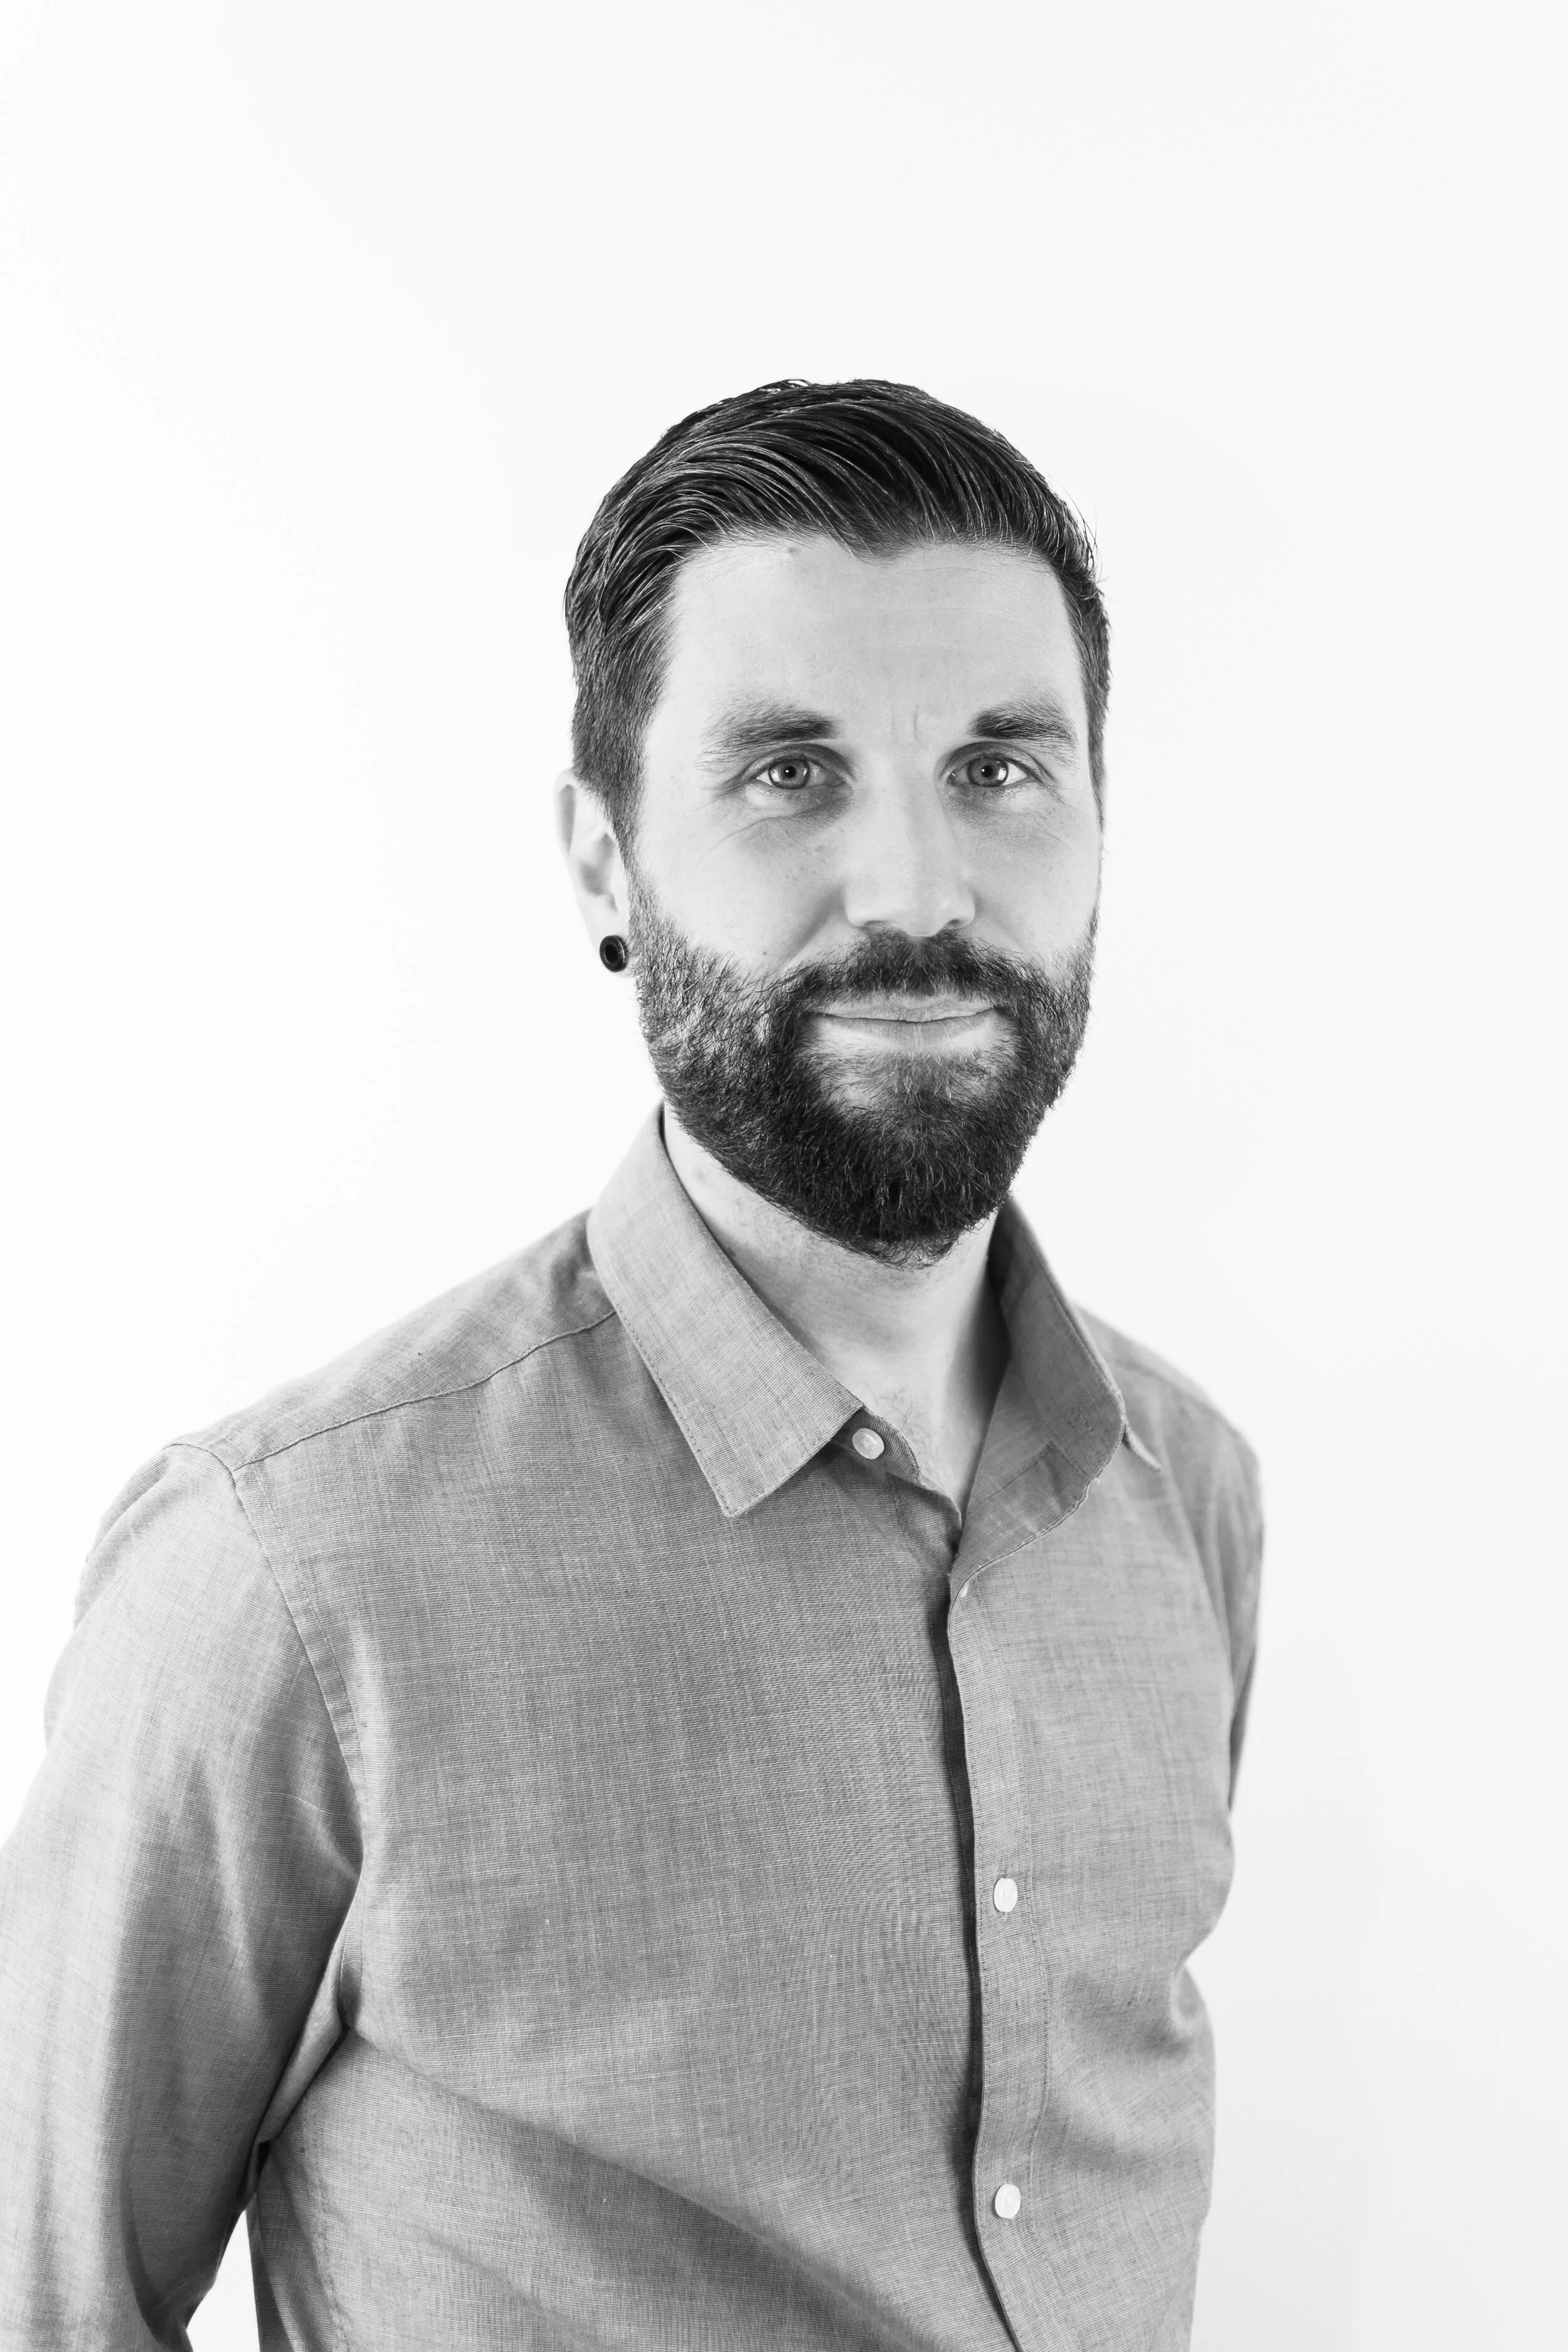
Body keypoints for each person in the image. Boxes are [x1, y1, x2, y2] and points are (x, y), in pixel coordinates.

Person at [0, 379, 1263, 2351]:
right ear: (603, 861)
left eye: (1001, 765)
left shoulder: (1183, 1492)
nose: (919, 886)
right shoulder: (286, 1563)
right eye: (787, 771)